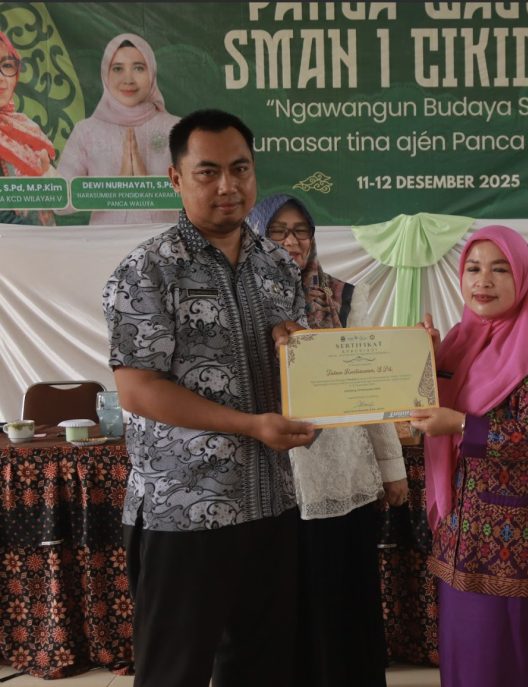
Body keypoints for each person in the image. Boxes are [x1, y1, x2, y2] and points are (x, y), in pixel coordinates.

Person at [101, 109, 316, 687]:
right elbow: (138, 389)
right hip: (183, 511)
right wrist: (250, 425)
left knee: (263, 669)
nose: (228, 185)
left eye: (240, 169)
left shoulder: (278, 265)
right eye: (208, 172)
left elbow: (299, 369)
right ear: (176, 178)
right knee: (175, 673)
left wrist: (300, 362)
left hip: (270, 502)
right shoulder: (147, 269)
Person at [247, 193, 408, 687]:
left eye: (302, 230)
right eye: (278, 231)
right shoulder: (239, 304)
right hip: (270, 478)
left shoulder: (342, 297)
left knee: (343, 599)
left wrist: (392, 469)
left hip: (341, 473)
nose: (292, 241)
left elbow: (370, 391)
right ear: (255, 236)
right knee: (283, 604)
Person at [409, 225, 528, 687]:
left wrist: (463, 425)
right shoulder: (457, 342)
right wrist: (421, 357)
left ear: (522, 277)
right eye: (474, 268)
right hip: (459, 531)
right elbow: (424, 408)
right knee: (464, 653)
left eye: (500, 269)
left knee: (511, 654)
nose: (483, 281)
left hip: (516, 538)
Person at [58, 33, 179, 224]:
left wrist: (149, 186)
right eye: (117, 69)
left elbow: (200, 194)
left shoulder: (176, 127)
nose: (128, 79)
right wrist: (116, 188)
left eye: (138, 68)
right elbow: (60, 202)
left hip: (166, 239)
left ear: (152, 73)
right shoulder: (87, 131)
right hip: (107, 240)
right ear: (105, 74)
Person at [0, 29, 55, 225]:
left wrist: (45, 175)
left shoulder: (26, 130)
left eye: (7, 65)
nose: (1, 77)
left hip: (37, 242)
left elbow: (63, 202)